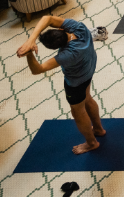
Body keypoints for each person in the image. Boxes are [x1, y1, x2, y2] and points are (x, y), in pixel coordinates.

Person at [16, 15, 104, 154]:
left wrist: (29, 53)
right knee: (87, 98)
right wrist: (31, 39)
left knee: (78, 112)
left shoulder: (67, 55)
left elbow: (37, 70)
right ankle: (98, 129)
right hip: (89, 69)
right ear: (61, 29)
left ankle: (91, 143)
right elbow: (47, 18)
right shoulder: (79, 28)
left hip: (76, 84)